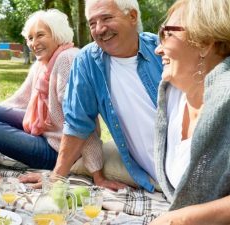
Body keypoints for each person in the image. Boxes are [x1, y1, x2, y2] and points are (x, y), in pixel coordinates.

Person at [38, 0, 163, 192]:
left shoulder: (163, 50)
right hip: (157, 171)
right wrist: (56, 177)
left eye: (107, 18)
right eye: (92, 23)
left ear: (132, 16)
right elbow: (77, 123)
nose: (99, 29)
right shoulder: (87, 61)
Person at [0, 9, 94, 170]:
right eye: (30, 38)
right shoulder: (42, 64)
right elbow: (20, 100)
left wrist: (93, 167)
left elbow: (82, 119)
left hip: (58, 150)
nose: (34, 43)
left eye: (40, 35)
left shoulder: (67, 59)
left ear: (57, 34)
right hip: (44, 128)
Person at [150, 0, 230, 224]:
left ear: (204, 43)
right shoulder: (172, 96)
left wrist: (182, 219)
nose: (157, 48)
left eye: (166, 34)